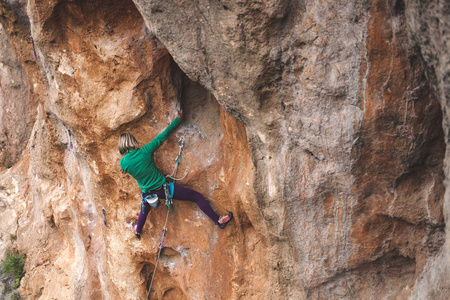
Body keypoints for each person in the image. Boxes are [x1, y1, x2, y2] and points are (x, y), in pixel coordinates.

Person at [119, 110, 233, 239]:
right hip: (163, 189)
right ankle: (218, 220)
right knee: (196, 196)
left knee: (145, 210)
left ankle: (137, 230)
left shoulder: (123, 163)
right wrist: (178, 119)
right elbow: (163, 136)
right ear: (133, 142)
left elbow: (126, 169)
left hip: (147, 193)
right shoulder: (146, 151)